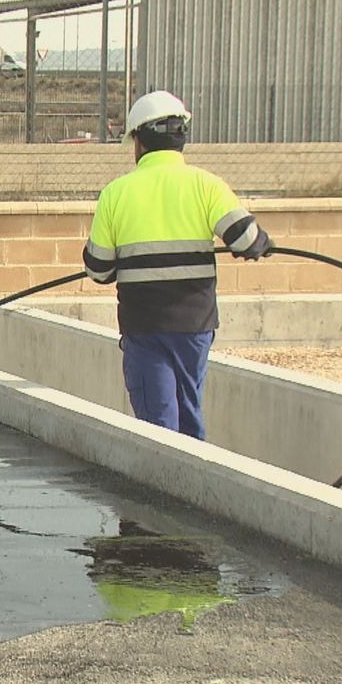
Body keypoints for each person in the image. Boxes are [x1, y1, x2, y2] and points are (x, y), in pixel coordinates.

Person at [82, 90, 273, 440]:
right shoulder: (206, 185)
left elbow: (99, 270)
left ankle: (165, 492)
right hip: (194, 327)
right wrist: (261, 243)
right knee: (188, 417)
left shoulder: (116, 193)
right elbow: (245, 239)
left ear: (138, 141)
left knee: (159, 428)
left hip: (145, 327)